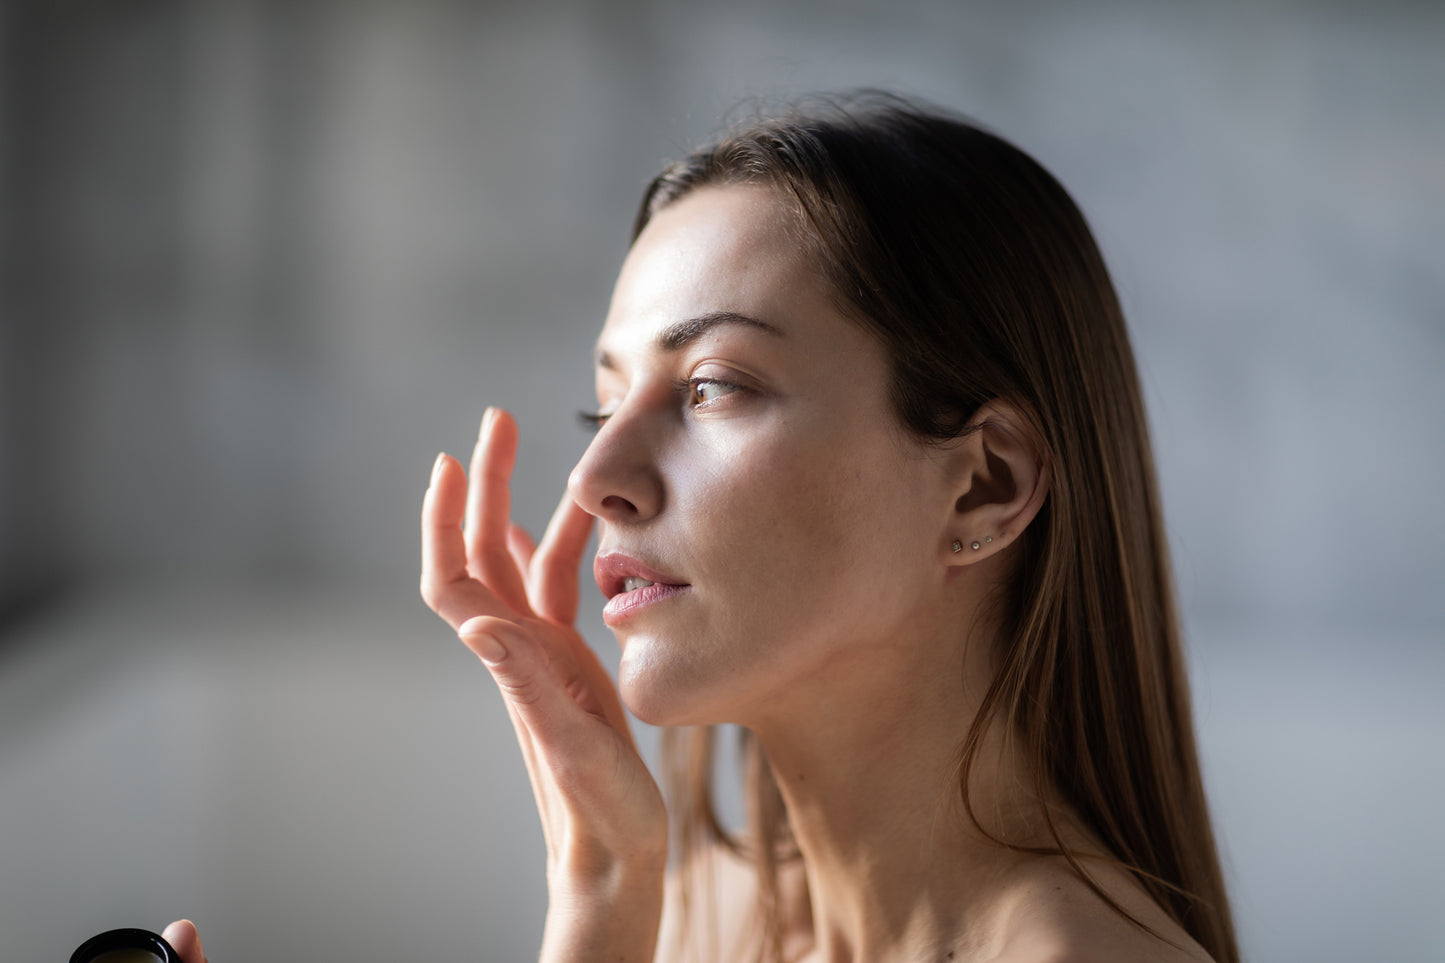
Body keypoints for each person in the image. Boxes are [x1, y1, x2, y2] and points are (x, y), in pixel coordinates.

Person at [171, 93, 1239, 962]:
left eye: (712, 388)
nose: (594, 477)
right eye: (604, 404)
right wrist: (600, 894)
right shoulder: (708, 914)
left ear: (981, 487)